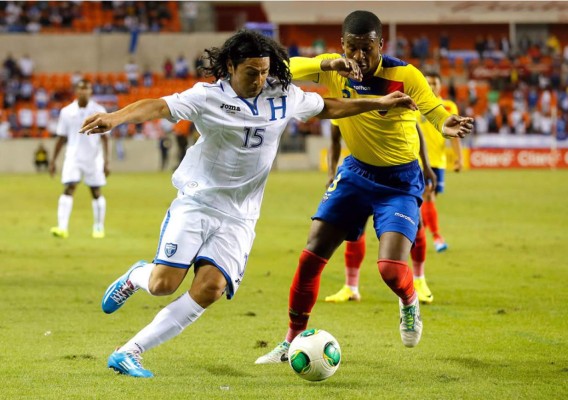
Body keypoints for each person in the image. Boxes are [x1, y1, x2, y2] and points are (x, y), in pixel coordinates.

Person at [80, 29, 419, 378]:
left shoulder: (283, 94)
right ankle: (136, 276)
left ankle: (129, 351)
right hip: (198, 202)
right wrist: (114, 118)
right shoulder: (207, 97)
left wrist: (377, 103)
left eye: (264, 71)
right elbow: (158, 105)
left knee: (211, 288)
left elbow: (327, 106)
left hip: (240, 216)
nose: (260, 79)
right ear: (230, 66)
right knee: (162, 285)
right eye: (251, 72)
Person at [255, 10, 473, 364]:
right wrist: (326, 67)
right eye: (352, 48)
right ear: (342, 45)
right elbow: (282, 67)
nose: (359, 56)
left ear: (380, 45)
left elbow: (433, 110)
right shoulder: (334, 66)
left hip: (400, 182)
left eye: (367, 48)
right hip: (356, 174)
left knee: (389, 269)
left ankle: (408, 301)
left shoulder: (404, 74)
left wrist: (446, 124)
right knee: (312, 254)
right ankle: (290, 341)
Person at [323, 121, 436, 304]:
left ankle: (419, 280)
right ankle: (351, 287)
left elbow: (416, 128)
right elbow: (335, 138)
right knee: (355, 228)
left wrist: (426, 165)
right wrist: (330, 173)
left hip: (400, 174)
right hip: (362, 173)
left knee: (417, 223)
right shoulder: (348, 96)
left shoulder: (395, 94)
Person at [49, 79, 110, 239]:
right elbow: (61, 138)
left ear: (91, 91)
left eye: (87, 88)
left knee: (96, 191)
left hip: (94, 158)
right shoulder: (66, 111)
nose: (84, 92)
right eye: (81, 89)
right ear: (76, 91)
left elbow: (105, 138)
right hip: (73, 157)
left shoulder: (99, 110)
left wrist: (106, 161)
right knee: (69, 188)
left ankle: (98, 227)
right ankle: (62, 228)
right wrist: (53, 160)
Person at [419, 71, 463, 253]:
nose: (431, 86)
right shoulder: (416, 105)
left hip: (440, 160)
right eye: (428, 83)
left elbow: (455, 134)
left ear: (440, 85)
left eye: (434, 83)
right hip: (420, 161)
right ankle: (437, 237)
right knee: (427, 195)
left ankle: (418, 233)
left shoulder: (449, 106)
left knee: (429, 200)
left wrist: (459, 158)